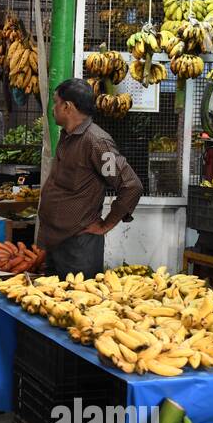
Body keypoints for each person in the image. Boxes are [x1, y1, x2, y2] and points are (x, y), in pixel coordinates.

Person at [38, 78, 143, 278]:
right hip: (56, 241)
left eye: (55, 102)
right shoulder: (68, 136)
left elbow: (131, 185)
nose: (53, 109)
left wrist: (106, 225)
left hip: (78, 248)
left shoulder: (97, 142)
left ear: (67, 106)